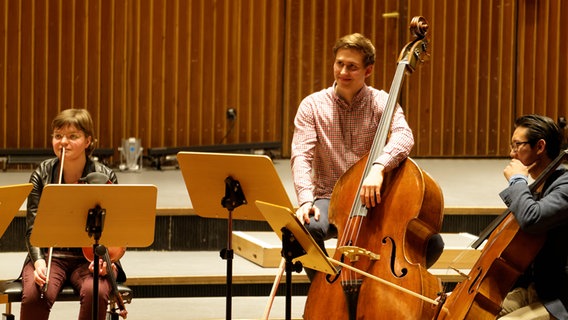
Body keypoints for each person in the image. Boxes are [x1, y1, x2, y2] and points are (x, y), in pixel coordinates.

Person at [290, 33, 444, 280]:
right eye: (339, 63)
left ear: (368, 70)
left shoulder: (381, 101)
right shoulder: (312, 105)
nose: (343, 72)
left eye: (352, 67)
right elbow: (301, 156)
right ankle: (324, 292)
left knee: (432, 243)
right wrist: (306, 200)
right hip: (330, 196)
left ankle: (381, 287)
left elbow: (404, 136)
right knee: (307, 227)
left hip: (373, 198)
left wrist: (378, 166)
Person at [19, 108, 126, 320]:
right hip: (51, 256)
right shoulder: (41, 174)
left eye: (73, 136)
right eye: (58, 136)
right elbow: (32, 227)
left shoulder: (105, 175)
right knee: (34, 293)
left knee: (97, 291)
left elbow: (115, 230)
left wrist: (106, 260)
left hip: (90, 257)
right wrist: (39, 261)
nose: (63, 142)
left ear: (88, 141)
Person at [498, 114, 568, 320]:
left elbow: (532, 219)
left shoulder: (565, 186)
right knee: (472, 312)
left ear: (540, 147)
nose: (511, 153)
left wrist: (518, 180)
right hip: (534, 288)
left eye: (517, 145)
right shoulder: (538, 187)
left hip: (559, 297)